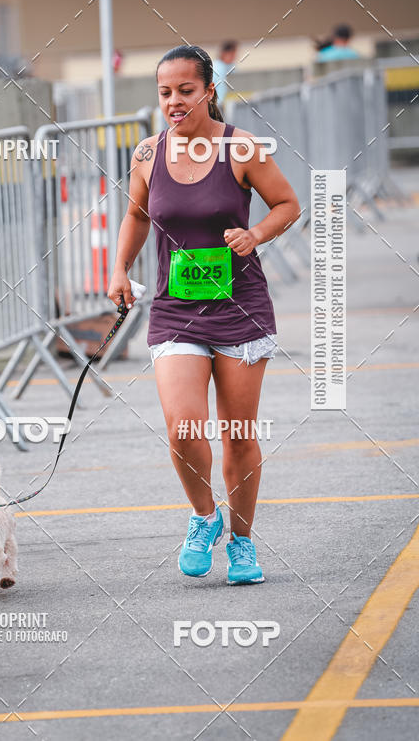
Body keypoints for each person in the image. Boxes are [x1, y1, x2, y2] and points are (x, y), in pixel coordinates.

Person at [107, 44, 300, 584]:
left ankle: (242, 542)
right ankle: (203, 517)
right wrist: (119, 267)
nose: (174, 102)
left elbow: (288, 204)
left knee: (238, 433)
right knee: (181, 427)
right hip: (176, 310)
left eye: (185, 91)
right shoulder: (148, 154)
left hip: (240, 308)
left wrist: (255, 233)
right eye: (165, 92)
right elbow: (136, 215)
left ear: (209, 91)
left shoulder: (242, 149)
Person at [212, 40, 238, 108]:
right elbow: (220, 95)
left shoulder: (222, 67)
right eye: (232, 54)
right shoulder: (219, 69)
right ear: (224, 53)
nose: (234, 57)